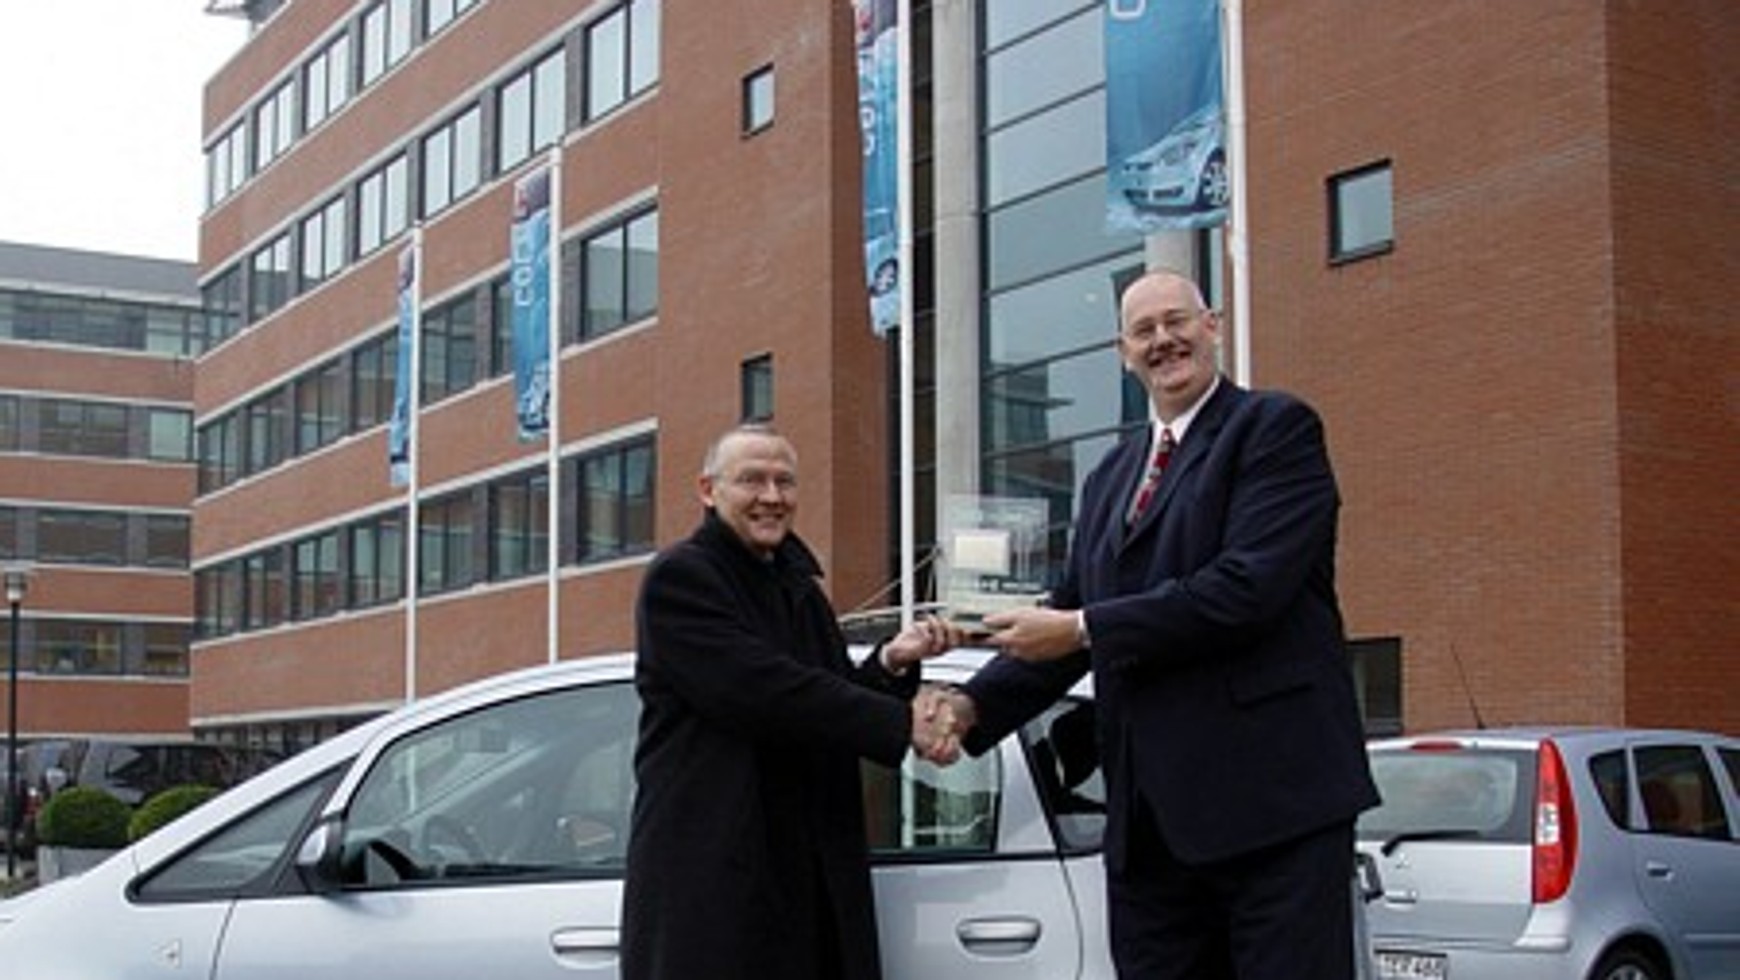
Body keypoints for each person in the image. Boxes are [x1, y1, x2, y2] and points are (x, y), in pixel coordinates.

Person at [945, 269, 1380, 980]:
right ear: (1123, 353)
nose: (1163, 341)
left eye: (1177, 321)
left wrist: (1082, 628)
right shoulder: (1109, 477)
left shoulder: (1274, 429)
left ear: (1213, 326)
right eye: (1143, 331)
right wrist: (970, 706)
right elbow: (1069, 610)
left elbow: (1244, 590)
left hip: (1272, 813)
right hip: (1150, 829)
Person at [620, 423, 964, 980]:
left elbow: (827, 699)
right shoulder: (681, 578)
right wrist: (905, 723)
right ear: (708, 490)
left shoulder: (800, 588)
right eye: (752, 480)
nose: (772, 496)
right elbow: (761, 691)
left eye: (784, 482)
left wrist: (891, 662)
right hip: (722, 879)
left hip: (811, 876)